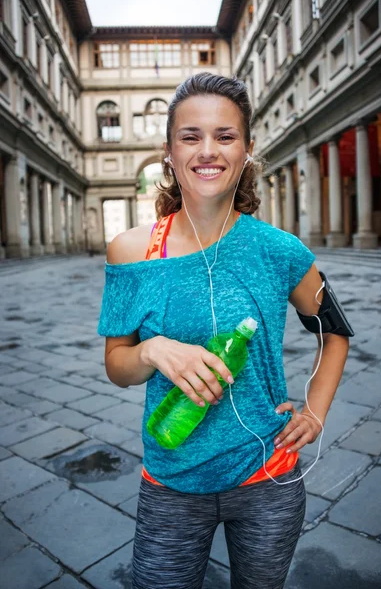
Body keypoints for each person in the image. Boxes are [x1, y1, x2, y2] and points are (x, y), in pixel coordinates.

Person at [98, 73, 350, 589]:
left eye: (225, 136)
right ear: (169, 150)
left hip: (268, 478)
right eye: (190, 136)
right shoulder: (130, 251)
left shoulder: (279, 250)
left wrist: (316, 412)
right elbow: (117, 367)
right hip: (171, 479)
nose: (207, 150)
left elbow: (335, 331)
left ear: (248, 149)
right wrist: (154, 350)